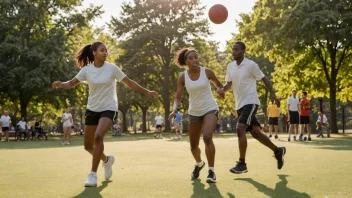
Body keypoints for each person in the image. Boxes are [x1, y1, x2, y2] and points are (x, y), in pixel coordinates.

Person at [52, 41, 158, 187]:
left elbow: (129, 82)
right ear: (94, 52)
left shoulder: (112, 68)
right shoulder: (86, 70)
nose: (105, 53)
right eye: (102, 50)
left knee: (98, 136)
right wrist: (61, 84)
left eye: (106, 50)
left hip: (109, 108)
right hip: (92, 109)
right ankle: (107, 160)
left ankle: (92, 174)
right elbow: (71, 83)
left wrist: (147, 91)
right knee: (88, 146)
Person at [218, 42, 286, 174]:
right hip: (240, 104)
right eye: (232, 50)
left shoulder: (251, 65)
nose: (233, 52)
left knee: (240, 128)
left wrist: (272, 93)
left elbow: (264, 78)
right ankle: (278, 151)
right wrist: (222, 90)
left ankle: (242, 164)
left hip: (251, 101)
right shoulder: (230, 66)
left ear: (243, 51)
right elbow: (229, 84)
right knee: (255, 132)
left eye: (236, 50)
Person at [169, 48, 224, 183]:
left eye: (196, 57)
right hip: (194, 112)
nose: (194, 60)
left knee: (207, 137)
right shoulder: (183, 77)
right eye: (191, 58)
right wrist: (174, 109)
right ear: (186, 61)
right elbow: (178, 97)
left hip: (210, 108)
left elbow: (219, 85)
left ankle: (211, 171)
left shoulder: (207, 72)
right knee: (193, 146)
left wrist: (220, 91)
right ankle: (199, 164)